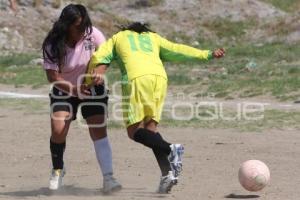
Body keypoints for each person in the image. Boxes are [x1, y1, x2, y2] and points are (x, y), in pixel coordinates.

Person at [86, 22, 225, 193]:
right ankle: (167, 175)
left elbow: (99, 56)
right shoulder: (153, 38)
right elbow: (178, 49)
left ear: (126, 29)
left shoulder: (118, 37)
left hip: (136, 79)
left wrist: (90, 78)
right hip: (159, 79)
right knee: (151, 130)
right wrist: (208, 54)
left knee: (134, 132)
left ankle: (170, 149)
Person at [41, 4, 121, 194]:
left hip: (92, 86)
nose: (83, 29)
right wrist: (74, 89)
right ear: (66, 25)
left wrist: (99, 72)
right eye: (78, 26)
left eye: (85, 24)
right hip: (65, 87)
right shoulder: (52, 43)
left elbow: (106, 56)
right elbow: (53, 77)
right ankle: (58, 169)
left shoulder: (92, 34)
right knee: (58, 129)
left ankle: (109, 178)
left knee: (98, 130)